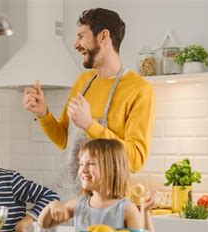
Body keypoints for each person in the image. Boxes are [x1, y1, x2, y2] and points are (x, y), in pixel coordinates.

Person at [23, 8, 155, 201]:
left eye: (81, 36)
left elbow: (135, 160)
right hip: (69, 199)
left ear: (103, 36)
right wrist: (43, 113)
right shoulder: (83, 82)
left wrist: (90, 125)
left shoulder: (139, 89)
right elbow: (64, 141)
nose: (76, 44)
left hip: (108, 204)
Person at [37, 139, 157, 232]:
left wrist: (145, 212)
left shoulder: (126, 209)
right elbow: (44, 223)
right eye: (81, 164)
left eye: (91, 164)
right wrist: (53, 205)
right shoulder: (77, 205)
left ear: (112, 169)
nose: (83, 170)